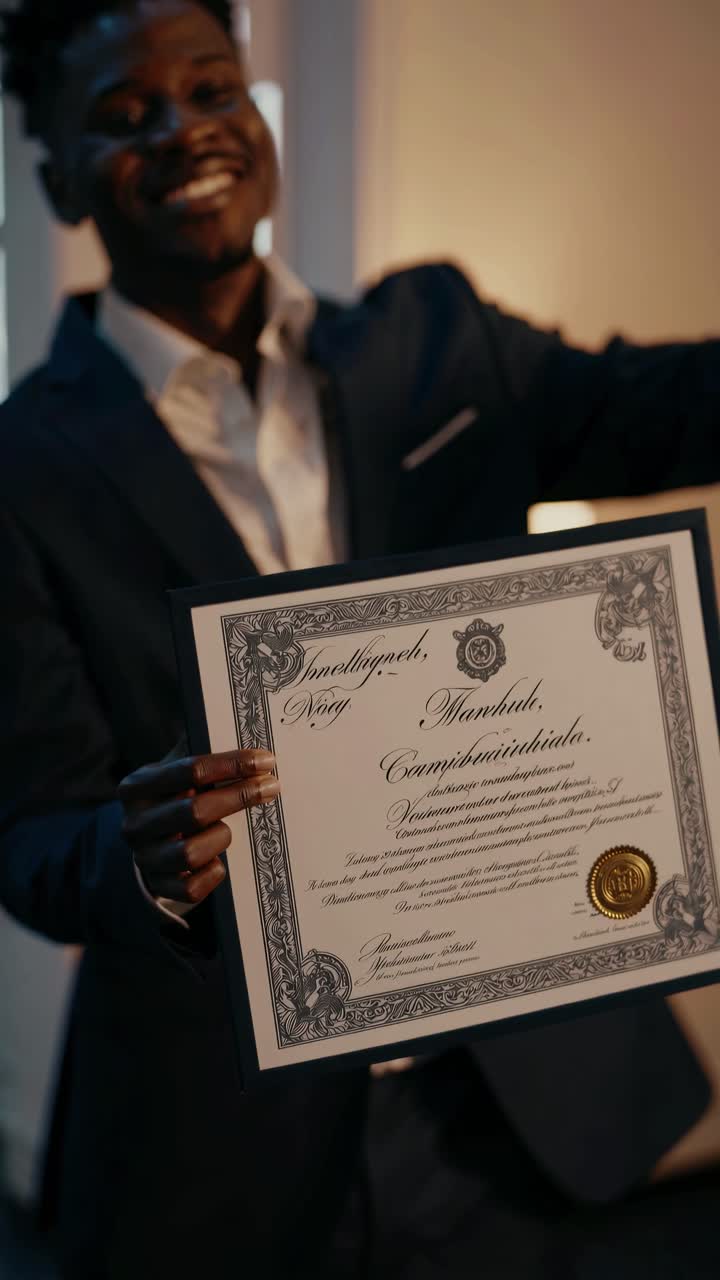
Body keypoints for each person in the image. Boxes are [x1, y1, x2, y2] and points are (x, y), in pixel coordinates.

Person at [0, 1, 718, 1276]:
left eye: (211, 89)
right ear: (58, 179)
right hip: (218, 1135)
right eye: (122, 114)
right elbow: (34, 830)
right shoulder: (22, 466)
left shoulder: (434, 340)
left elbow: (671, 409)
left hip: (509, 1106)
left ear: (257, 114)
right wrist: (139, 853)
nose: (182, 130)